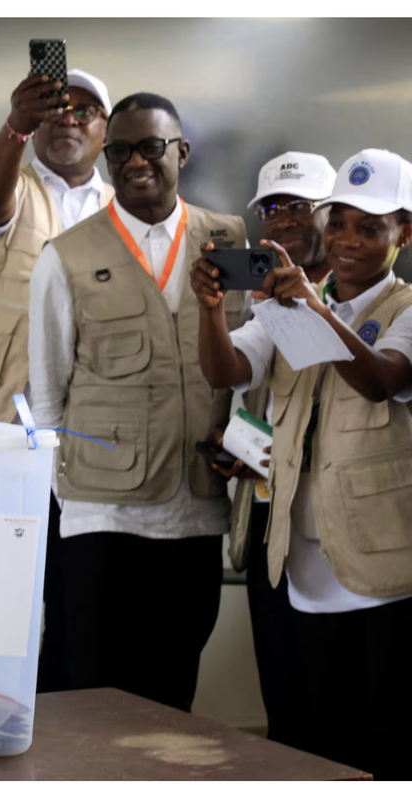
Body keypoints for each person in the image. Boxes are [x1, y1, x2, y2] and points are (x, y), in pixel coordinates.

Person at [191, 148, 412, 780]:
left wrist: (314, 310)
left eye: (370, 228)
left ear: (406, 233)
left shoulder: (404, 310)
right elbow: (226, 369)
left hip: (381, 567)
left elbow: (380, 380)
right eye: (339, 222)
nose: (346, 241)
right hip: (302, 565)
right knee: (312, 742)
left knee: (386, 743)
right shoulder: (290, 303)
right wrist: (210, 307)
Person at [27, 93, 248, 713]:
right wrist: (68, 495)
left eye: (151, 147)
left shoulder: (227, 240)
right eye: (119, 150)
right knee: (96, 689)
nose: (134, 163)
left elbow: (256, 361)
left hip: (197, 509)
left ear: (181, 151)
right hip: (101, 516)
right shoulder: (66, 256)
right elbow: (46, 394)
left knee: (174, 686)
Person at [0, 67, 114, 694]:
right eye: (55, 106)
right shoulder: (5, 185)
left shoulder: (123, 205)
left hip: (87, 449)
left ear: (107, 129)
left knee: (75, 609)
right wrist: (14, 125)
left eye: (86, 108)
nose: (68, 116)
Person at [215, 152, 335, 749]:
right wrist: (235, 442)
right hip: (270, 515)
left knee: (349, 702)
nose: (286, 220)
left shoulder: (370, 301)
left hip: (343, 524)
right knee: (285, 695)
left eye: (301, 206)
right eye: (273, 209)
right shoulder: (256, 301)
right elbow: (234, 375)